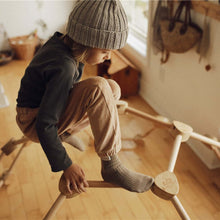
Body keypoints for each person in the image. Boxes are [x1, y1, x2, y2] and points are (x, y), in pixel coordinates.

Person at [16, 0, 154, 195]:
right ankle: (111, 165)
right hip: (32, 121)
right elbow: (44, 124)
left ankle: (64, 133)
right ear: (86, 42)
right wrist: (66, 165)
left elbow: (66, 94)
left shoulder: (67, 45)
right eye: (105, 51)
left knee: (112, 89)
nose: (108, 57)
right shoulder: (64, 66)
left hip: (43, 110)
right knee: (98, 87)